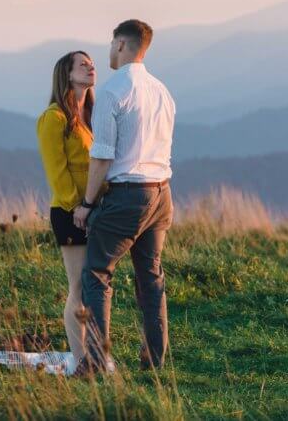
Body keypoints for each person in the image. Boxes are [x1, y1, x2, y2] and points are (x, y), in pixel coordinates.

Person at [74, 19, 175, 373]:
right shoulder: (163, 91)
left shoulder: (114, 90)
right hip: (162, 194)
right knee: (151, 276)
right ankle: (154, 359)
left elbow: (102, 155)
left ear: (120, 44)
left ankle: (96, 362)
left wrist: (87, 204)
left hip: (128, 195)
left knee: (98, 273)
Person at [36, 50, 97, 366]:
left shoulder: (88, 116)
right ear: (67, 74)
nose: (91, 68)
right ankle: (80, 357)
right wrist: (79, 207)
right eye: (83, 65)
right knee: (77, 286)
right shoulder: (53, 118)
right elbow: (57, 171)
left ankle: (93, 353)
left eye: (92, 64)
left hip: (92, 211)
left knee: (91, 285)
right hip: (70, 212)